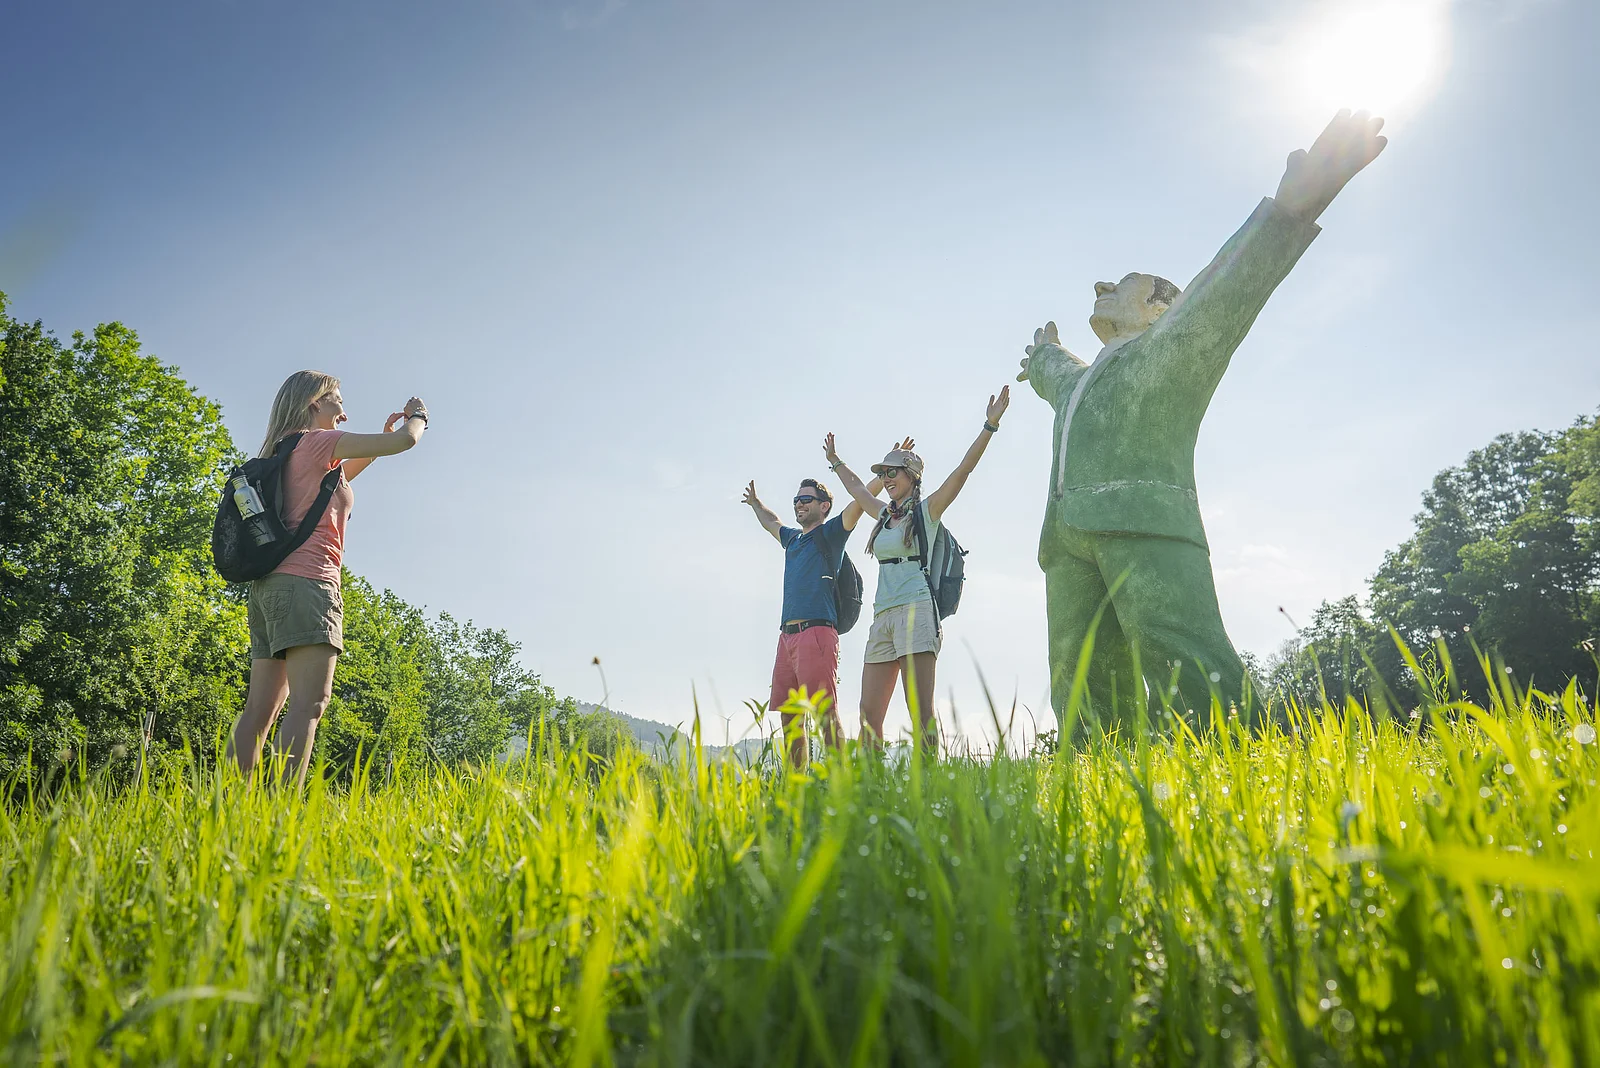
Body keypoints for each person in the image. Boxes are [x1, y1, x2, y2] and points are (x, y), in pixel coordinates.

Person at [1016, 110, 1387, 731]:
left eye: (1124, 283)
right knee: (1077, 674)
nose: (1103, 284)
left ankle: (1242, 755)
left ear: (1161, 304)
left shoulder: (1170, 353)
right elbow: (1056, 376)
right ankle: (1093, 779)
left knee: (1180, 653)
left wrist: (1286, 214)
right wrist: (1043, 356)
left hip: (1144, 519)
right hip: (1065, 539)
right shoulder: (1083, 380)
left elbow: (1222, 291)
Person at [226, 370, 429, 785]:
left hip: (269, 589)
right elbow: (406, 442)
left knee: (259, 711)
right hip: (308, 585)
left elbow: (335, 482)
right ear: (315, 402)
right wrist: (419, 416)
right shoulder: (318, 443)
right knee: (309, 705)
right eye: (336, 399)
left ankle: (227, 810)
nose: (343, 410)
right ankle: (279, 815)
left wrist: (373, 441)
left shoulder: (289, 450)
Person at [826, 388, 1010, 755]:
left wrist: (989, 426)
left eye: (893, 472)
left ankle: (927, 790)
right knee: (867, 716)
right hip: (883, 617)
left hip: (917, 610)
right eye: (884, 472)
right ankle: (872, 789)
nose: (887, 477)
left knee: (920, 712)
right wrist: (835, 461)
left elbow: (964, 471)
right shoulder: (882, 514)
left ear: (911, 475)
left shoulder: (926, 512)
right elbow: (857, 488)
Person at [742, 443, 909, 768]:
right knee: (790, 719)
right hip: (786, 638)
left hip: (817, 634)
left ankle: (838, 783)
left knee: (824, 714)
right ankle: (798, 787)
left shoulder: (832, 534)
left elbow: (859, 502)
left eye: (806, 500)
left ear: (824, 506)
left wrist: (885, 473)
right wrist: (756, 503)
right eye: (796, 500)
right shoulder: (793, 539)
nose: (799, 505)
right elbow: (771, 521)